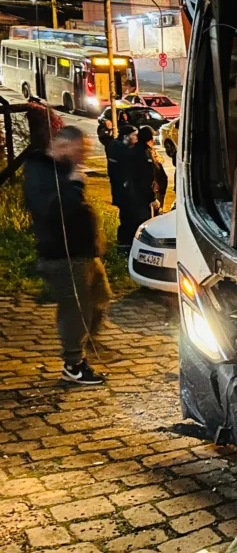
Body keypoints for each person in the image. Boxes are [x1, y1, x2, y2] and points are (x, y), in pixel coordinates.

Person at [23, 126, 110, 385]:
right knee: (75, 310)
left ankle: (83, 344)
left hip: (83, 254)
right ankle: (73, 364)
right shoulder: (40, 171)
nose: (83, 156)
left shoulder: (60, 169)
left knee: (100, 297)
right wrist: (73, 184)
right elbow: (54, 209)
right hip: (62, 256)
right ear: (63, 146)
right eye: (79, 150)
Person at [124, 127, 168, 235]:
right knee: (147, 225)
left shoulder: (134, 150)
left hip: (137, 195)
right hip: (145, 198)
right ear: (150, 139)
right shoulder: (144, 153)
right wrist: (152, 199)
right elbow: (147, 178)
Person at [106, 126, 138, 248]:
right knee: (128, 217)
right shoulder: (122, 151)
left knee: (126, 216)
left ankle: (124, 242)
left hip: (121, 190)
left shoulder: (114, 147)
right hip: (124, 191)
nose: (136, 138)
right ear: (125, 137)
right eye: (134, 135)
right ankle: (125, 243)